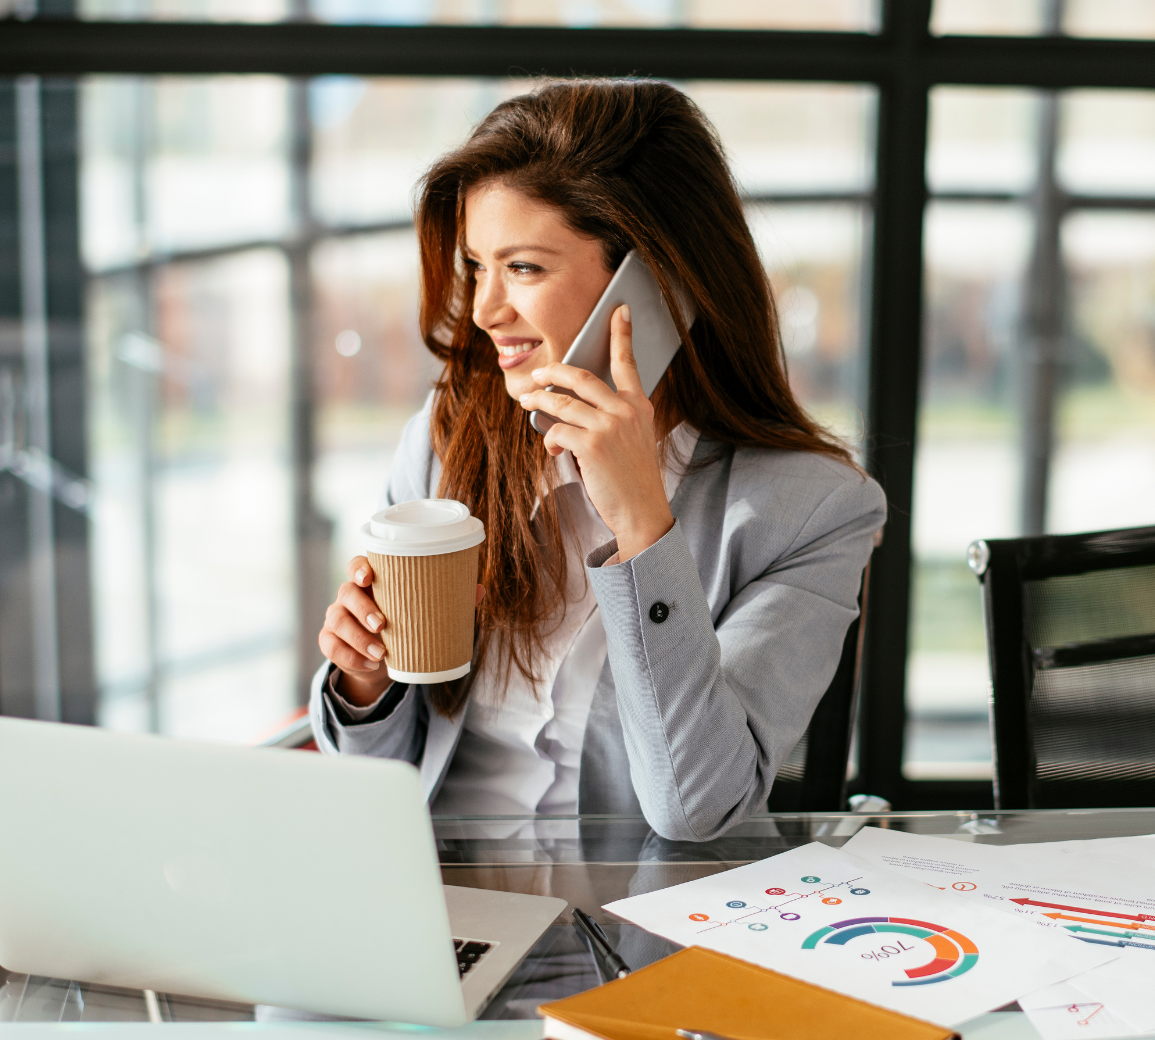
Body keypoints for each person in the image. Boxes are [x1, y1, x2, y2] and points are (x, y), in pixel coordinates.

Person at [307, 79, 884, 843]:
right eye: (478, 265)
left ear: (654, 284)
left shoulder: (812, 511)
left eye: (524, 269)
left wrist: (643, 526)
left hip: (638, 928)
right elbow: (375, 785)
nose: (483, 310)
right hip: (444, 908)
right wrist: (365, 684)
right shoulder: (446, 444)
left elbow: (695, 807)